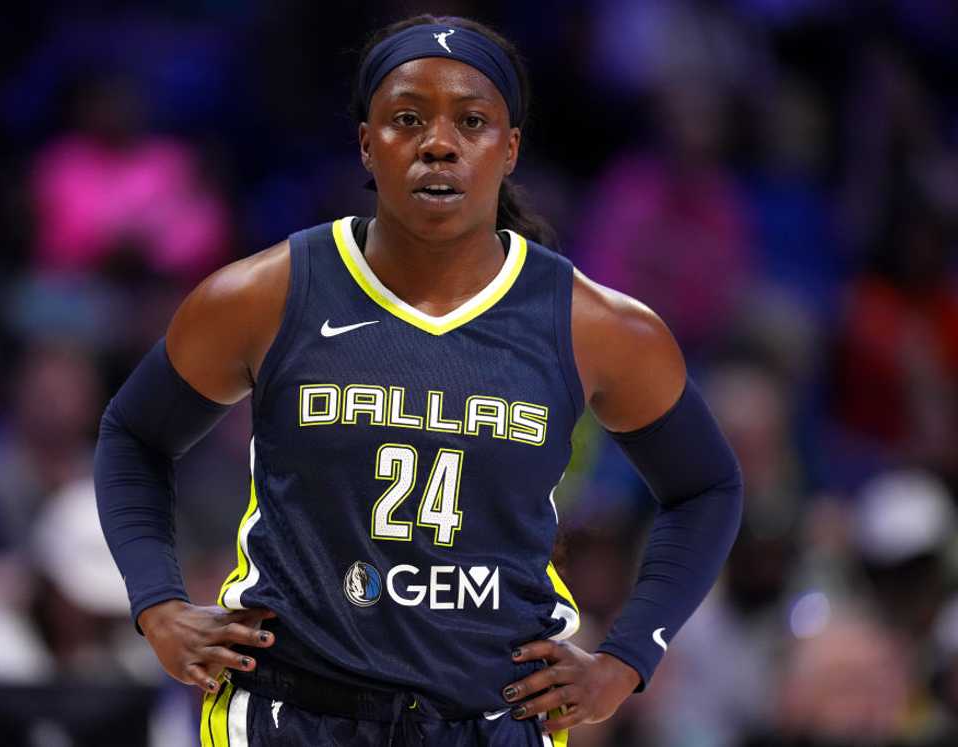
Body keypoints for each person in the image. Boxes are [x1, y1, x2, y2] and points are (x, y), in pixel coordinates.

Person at [95, 14, 743, 747]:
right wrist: (157, 604)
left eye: (472, 121)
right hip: (294, 715)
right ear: (368, 144)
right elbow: (132, 433)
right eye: (408, 118)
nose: (439, 143)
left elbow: (707, 487)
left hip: (492, 717)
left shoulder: (595, 325)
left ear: (510, 150)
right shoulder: (266, 294)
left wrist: (627, 658)